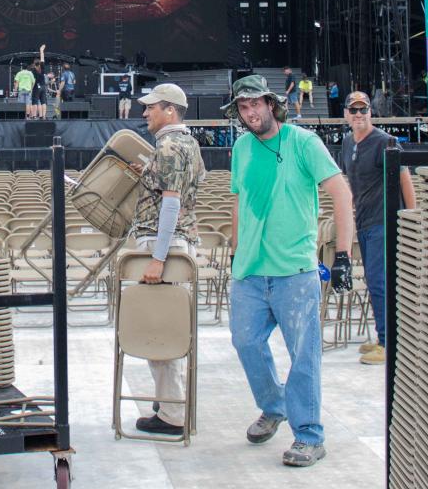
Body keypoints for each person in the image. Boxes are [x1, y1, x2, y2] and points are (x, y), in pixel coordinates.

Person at [222, 74, 355, 469]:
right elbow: (238, 200)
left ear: (270, 104)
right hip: (249, 271)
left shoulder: (303, 143)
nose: (250, 113)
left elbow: (341, 193)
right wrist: (236, 250)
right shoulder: (241, 148)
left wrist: (343, 254)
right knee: (245, 342)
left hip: (294, 271)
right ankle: (274, 405)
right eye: (243, 108)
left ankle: (309, 435)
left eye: (255, 105)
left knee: (303, 355)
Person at [129, 83, 206, 437]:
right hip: (178, 242)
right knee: (168, 328)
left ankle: (172, 415)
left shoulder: (170, 146)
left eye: (151, 108)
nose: (145, 113)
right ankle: (168, 401)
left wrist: (158, 258)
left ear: (170, 111)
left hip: (166, 246)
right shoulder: (188, 144)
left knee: (158, 330)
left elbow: (172, 203)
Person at [336, 91, 415, 365]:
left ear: (370, 112)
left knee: (380, 283)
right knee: (373, 282)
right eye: (354, 110)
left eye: (363, 110)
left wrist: (410, 216)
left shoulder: (384, 142)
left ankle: (388, 343)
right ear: (346, 114)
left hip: (383, 221)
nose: (359, 115)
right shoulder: (347, 143)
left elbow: (405, 178)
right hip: (365, 222)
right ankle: (383, 337)